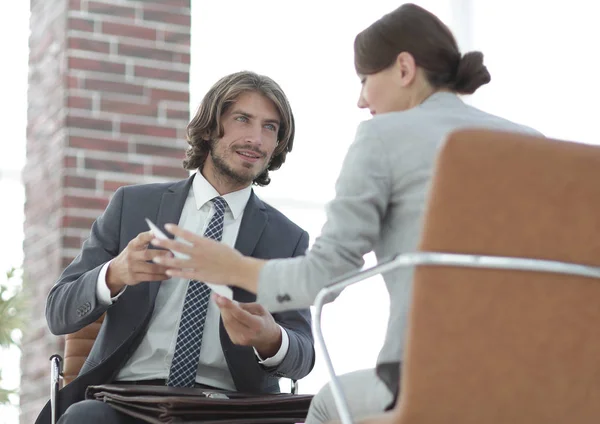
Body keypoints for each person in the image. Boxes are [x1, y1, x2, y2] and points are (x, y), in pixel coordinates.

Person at [150, 3, 543, 423]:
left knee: (325, 407)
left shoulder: (383, 137)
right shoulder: (535, 145)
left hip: (433, 379)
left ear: (404, 69)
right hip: (549, 377)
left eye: (365, 80)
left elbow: (323, 278)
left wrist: (232, 267)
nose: (360, 100)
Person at [35, 71, 315, 424]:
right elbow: (58, 313)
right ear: (211, 127)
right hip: (127, 401)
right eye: (242, 119)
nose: (255, 139)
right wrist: (115, 274)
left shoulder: (287, 239)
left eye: (270, 127)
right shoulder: (132, 207)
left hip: (230, 409)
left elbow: (303, 355)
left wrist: (271, 338)